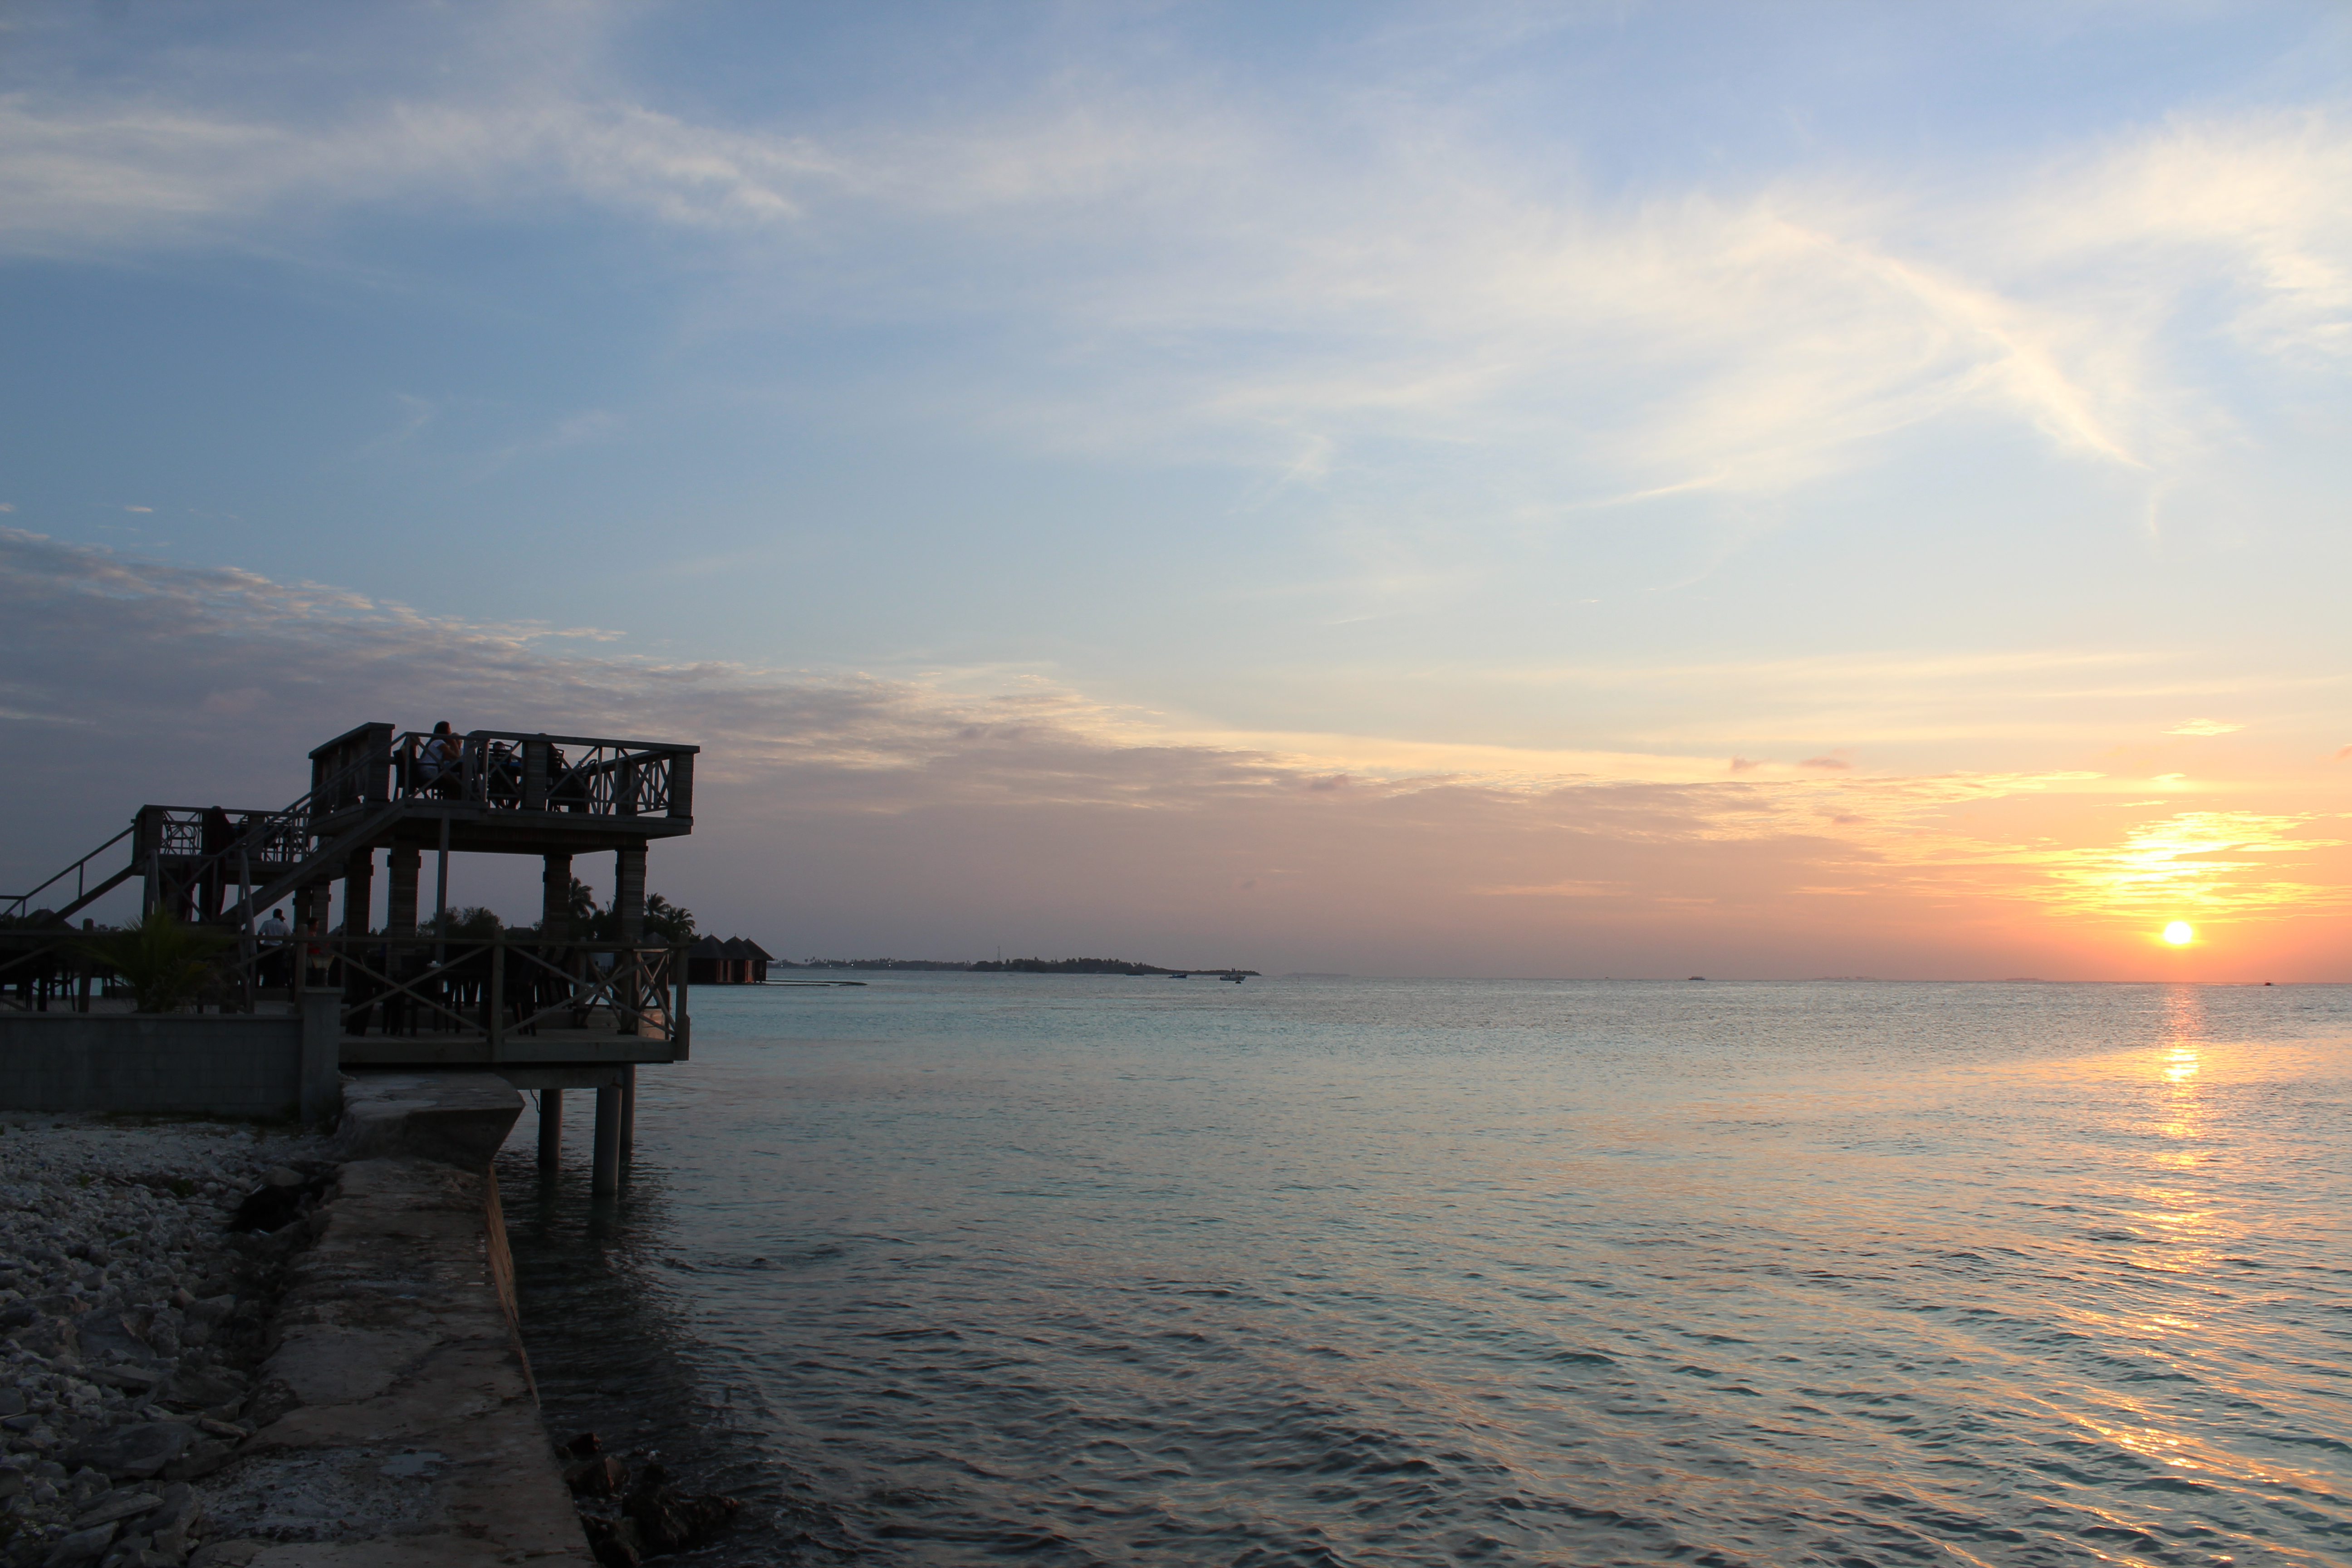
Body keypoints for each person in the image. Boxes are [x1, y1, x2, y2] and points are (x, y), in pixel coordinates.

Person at [420, 721, 460, 798]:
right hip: (431, 771)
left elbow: (451, 758)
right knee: (459, 782)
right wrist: (454, 743)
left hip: (429, 770)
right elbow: (457, 757)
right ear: (445, 731)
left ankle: (449, 800)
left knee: (455, 780)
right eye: (449, 729)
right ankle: (454, 802)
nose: (451, 732)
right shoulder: (439, 742)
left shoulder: (434, 742)